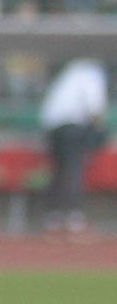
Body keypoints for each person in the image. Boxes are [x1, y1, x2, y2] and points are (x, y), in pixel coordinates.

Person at [39, 57, 106, 236]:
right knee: (74, 169)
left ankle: (53, 218)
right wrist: (99, 134)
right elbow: (94, 108)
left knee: (59, 170)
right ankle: (74, 219)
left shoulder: (67, 74)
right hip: (71, 126)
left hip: (52, 127)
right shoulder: (91, 74)